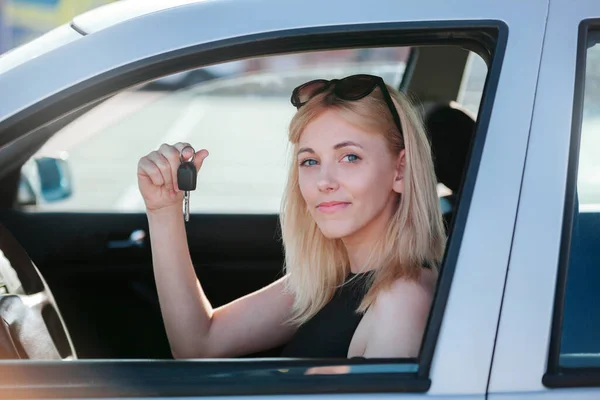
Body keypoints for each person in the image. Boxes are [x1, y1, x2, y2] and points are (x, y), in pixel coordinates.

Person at [137, 74, 446, 359]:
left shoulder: (402, 301)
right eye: (310, 161)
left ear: (401, 169)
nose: (324, 181)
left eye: (350, 157)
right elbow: (199, 344)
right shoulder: (329, 275)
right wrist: (164, 210)